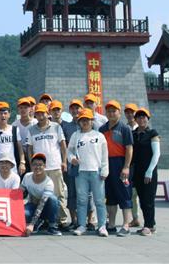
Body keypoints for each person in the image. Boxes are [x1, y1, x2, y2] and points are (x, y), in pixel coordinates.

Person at [67, 109, 109, 237]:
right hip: (81, 173)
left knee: (99, 200)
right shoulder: (76, 135)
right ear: (79, 122)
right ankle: (81, 225)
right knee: (81, 200)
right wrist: (72, 159)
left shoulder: (99, 136)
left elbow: (104, 155)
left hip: (96, 172)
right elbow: (69, 151)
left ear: (92, 121)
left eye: (87, 120)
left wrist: (105, 170)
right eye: (82, 120)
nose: (85, 122)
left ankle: (102, 226)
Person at [28, 103, 68, 229]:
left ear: (47, 113)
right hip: (39, 169)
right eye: (38, 113)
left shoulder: (56, 127)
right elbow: (29, 149)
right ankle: (42, 220)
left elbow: (63, 146)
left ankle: (61, 220)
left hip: (55, 166)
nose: (40, 115)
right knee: (37, 196)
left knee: (58, 194)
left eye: (43, 113)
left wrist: (64, 161)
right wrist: (31, 165)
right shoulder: (31, 129)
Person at [100, 100, 134, 237]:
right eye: (109, 111)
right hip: (106, 163)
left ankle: (126, 225)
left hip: (120, 163)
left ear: (119, 113)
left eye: (114, 111)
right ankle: (112, 224)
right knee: (110, 195)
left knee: (124, 194)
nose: (111, 113)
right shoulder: (102, 129)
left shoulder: (125, 128)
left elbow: (129, 148)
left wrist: (126, 167)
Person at [131, 108, 160, 236]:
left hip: (149, 172)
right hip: (137, 171)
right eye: (139, 117)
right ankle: (149, 224)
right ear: (135, 119)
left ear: (148, 119)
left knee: (148, 199)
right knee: (142, 199)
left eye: (144, 117)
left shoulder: (152, 133)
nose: (141, 119)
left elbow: (156, 154)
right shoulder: (133, 134)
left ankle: (149, 226)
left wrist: (149, 171)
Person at [22, 153, 62, 236]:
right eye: (35, 164)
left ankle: (52, 226)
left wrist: (31, 224)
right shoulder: (27, 176)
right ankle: (38, 222)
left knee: (53, 199)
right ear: (31, 166)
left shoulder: (49, 182)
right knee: (24, 213)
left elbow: (42, 204)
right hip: (32, 205)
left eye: (40, 165)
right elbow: (19, 193)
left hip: (45, 208)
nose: (37, 167)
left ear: (45, 166)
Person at [59, 99, 83, 229]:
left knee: (86, 194)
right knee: (72, 193)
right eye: (72, 108)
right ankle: (74, 220)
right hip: (71, 165)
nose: (75, 111)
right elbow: (63, 146)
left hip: (86, 165)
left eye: (77, 108)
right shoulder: (66, 126)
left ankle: (88, 220)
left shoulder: (89, 124)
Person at [123, 102, 140, 227]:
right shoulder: (124, 128)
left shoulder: (141, 127)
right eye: (127, 112)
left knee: (139, 193)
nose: (130, 114)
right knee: (131, 192)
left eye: (132, 112)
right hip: (130, 164)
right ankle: (135, 218)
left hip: (140, 164)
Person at [13, 97, 38, 164]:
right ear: (18, 109)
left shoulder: (36, 123)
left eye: (25, 107)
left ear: (30, 109)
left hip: (34, 154)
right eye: (21, 108)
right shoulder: (14, 125)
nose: (23, 110)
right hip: (19, 156)